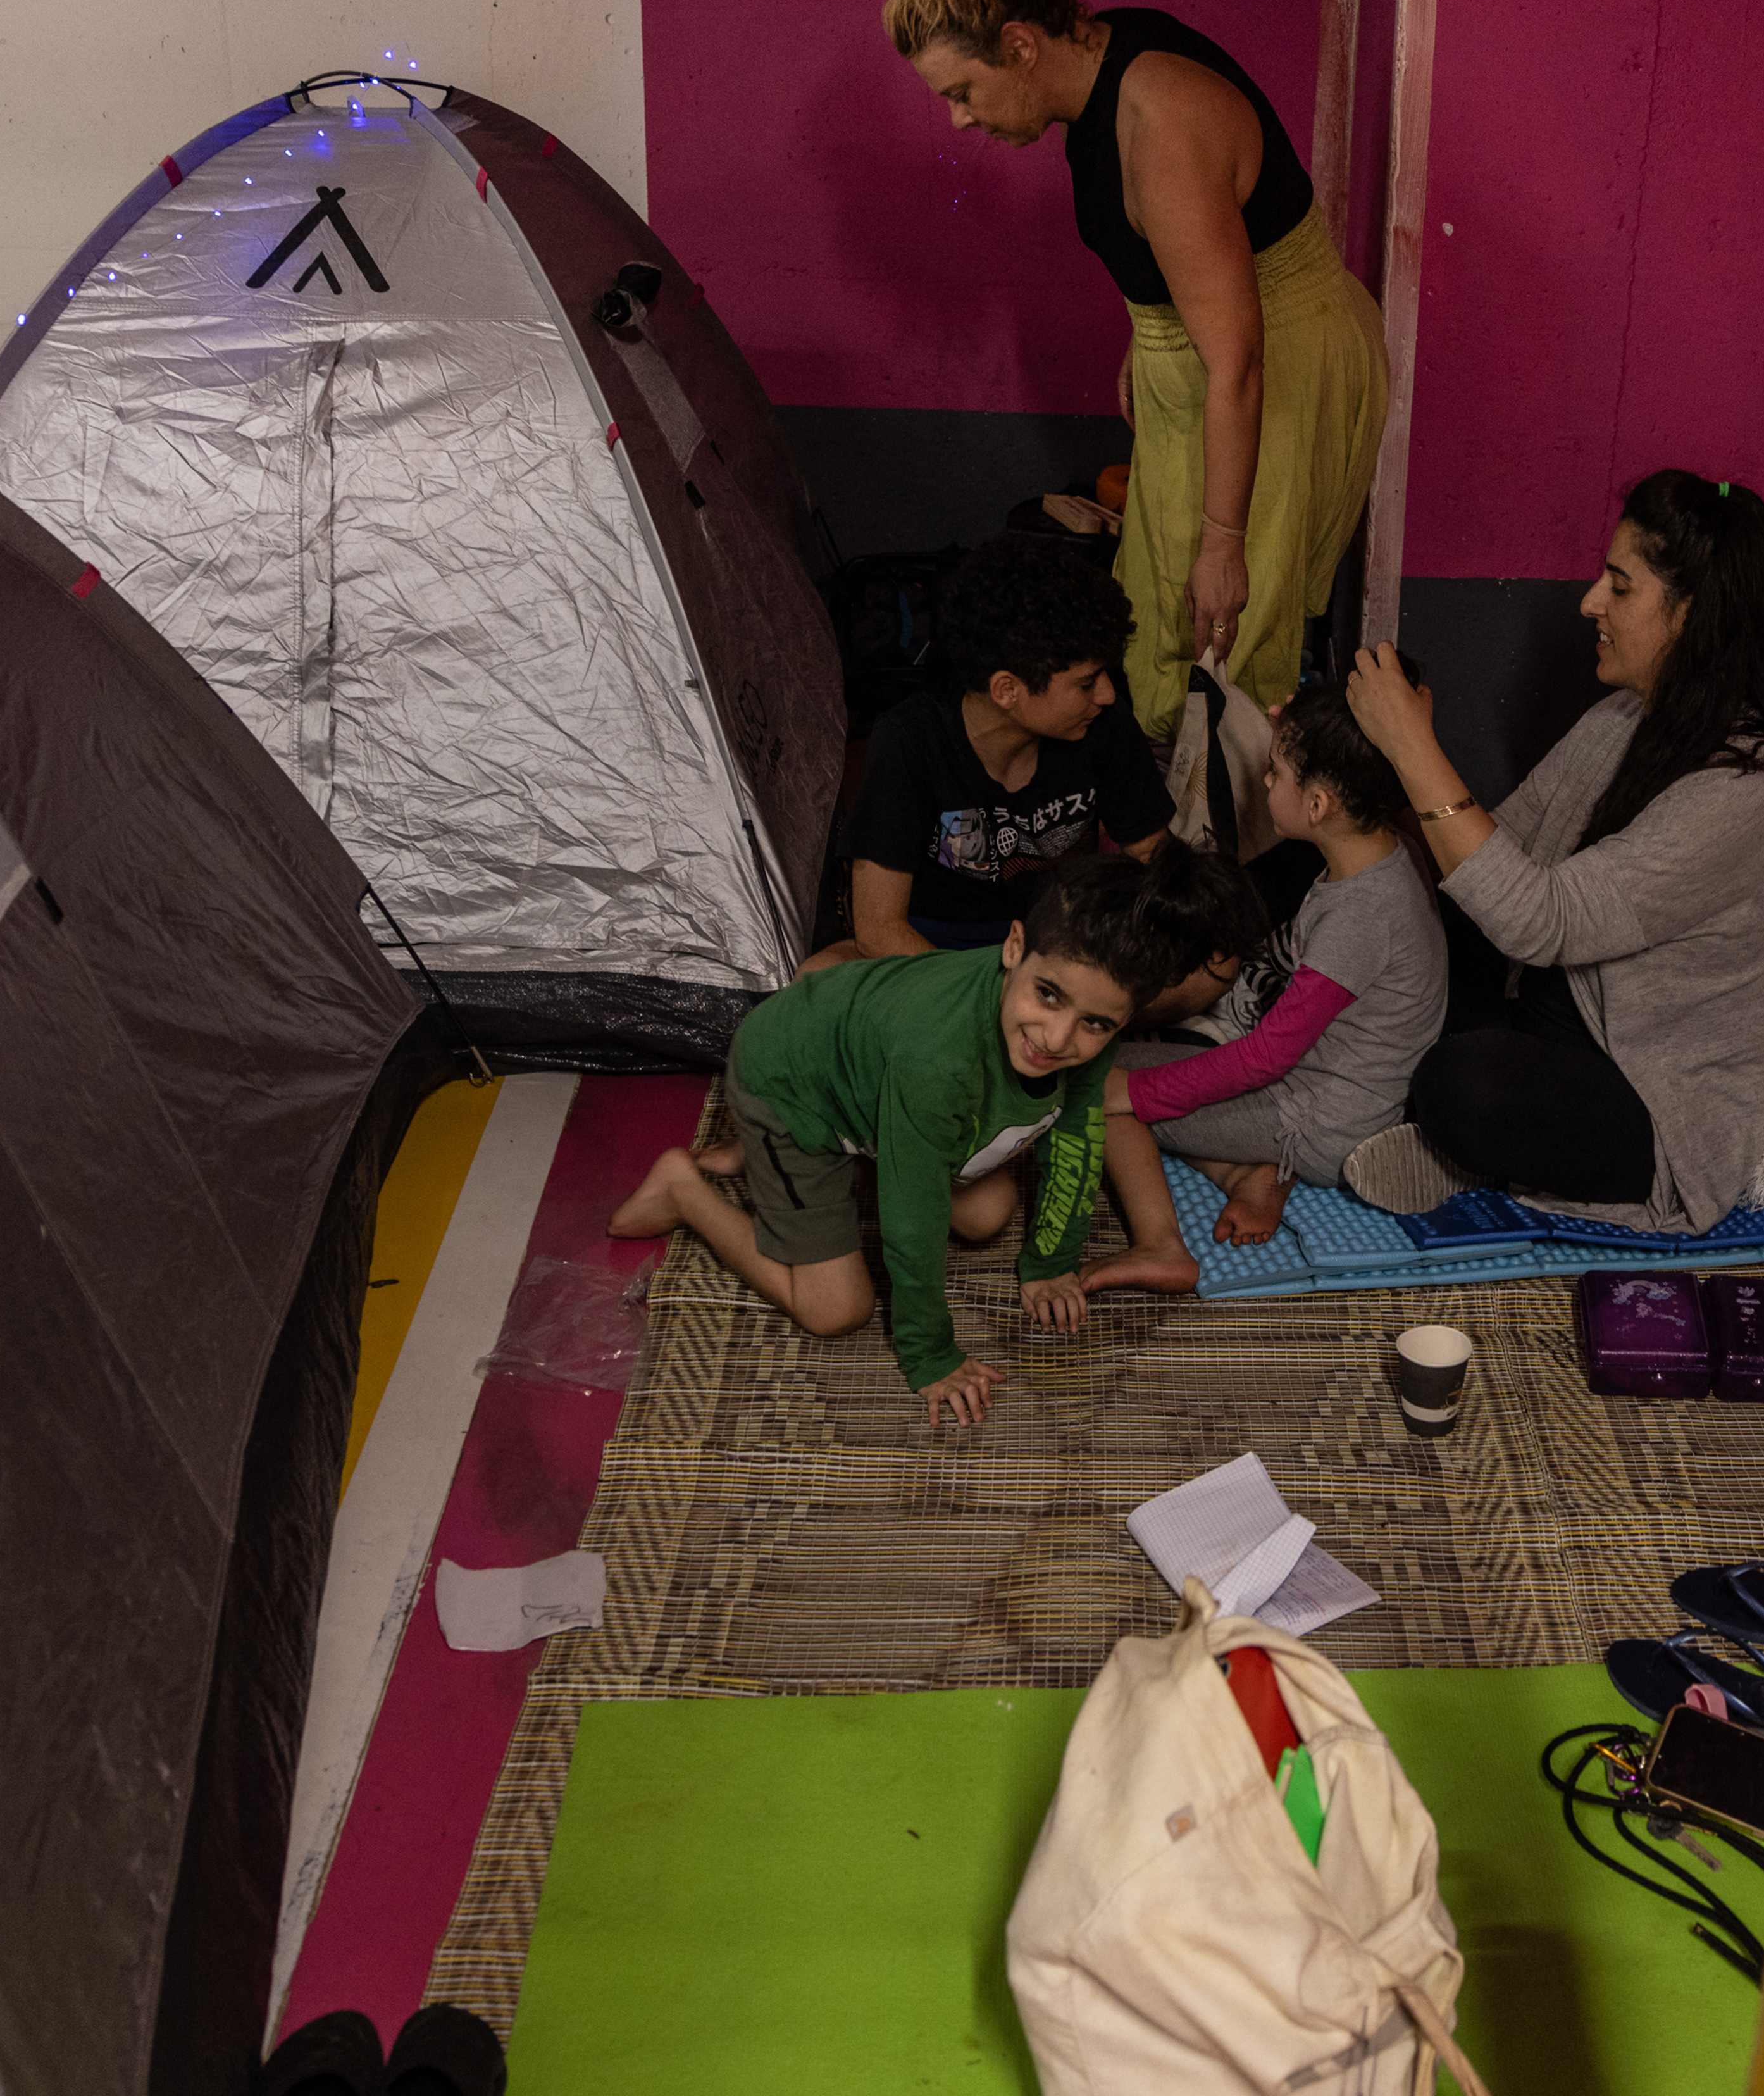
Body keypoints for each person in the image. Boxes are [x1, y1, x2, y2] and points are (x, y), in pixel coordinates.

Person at [841, 0, 1389, 738]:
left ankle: (1212, 864)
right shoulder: (1104, 57)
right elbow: (1197, 245)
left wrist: (1224, 541)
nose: (958, 119)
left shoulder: (1161, 122)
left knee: (1220, 642)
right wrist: (1151, 328)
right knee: (1159, 640)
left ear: (1019, 43)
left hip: (1268, 372)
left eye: (964, 90)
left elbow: (1241, 359)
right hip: (1219, 362)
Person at [1338, 471, 1764, 1230]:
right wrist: (1355, 788)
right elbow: (1500, 854)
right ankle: (1428, 1128)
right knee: (1381, 899)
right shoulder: (1623, 717)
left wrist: (1412, 746)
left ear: (1692, 613)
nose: (1590, 602)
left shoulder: (1746, 793)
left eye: (1620, 587)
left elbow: (1540, 921)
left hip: (1654, 1088)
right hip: (1562, 1003)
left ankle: (1448, 1141)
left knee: (1461, 1085)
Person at [604, 854, 1195, 1431]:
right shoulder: (936, 1058)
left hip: (866, 1069)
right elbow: (911, 1219)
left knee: (988, 1214)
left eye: (1095, 1023)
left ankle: (789, 1153)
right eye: (1047, 995)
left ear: (1120, 1020)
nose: (1058, 1037)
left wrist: (1053, 1264)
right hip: (792, 1088)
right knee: (837, 1309)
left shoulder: (1083, 1012)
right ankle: (685, 1188)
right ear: (1014, 948)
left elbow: (1074, 1133)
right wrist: (930, 1355)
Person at [1088, 677, 1450, 1285]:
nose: (1265, 783)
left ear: (1317, 806)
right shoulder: (1385, 854)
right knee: (1113, 1061)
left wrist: (1137, 1095)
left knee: (1096, 1093)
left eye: (1276, 774)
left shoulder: (1361, 915)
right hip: (1317, 1092)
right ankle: (1248, 1171)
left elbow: (1264, 1059)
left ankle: (1164, 1244)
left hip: (1315, 1123)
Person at [819, 538, 1174, 966]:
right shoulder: (911, 738)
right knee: (817, 974)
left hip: (1059, 945)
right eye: (1087, 682)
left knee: (1212, 964)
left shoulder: (1104, 723)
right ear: (1007, 689)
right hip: (935, 951)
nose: (1107, 694)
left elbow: (1154, 861)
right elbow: (879, 929)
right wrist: (992, 997)